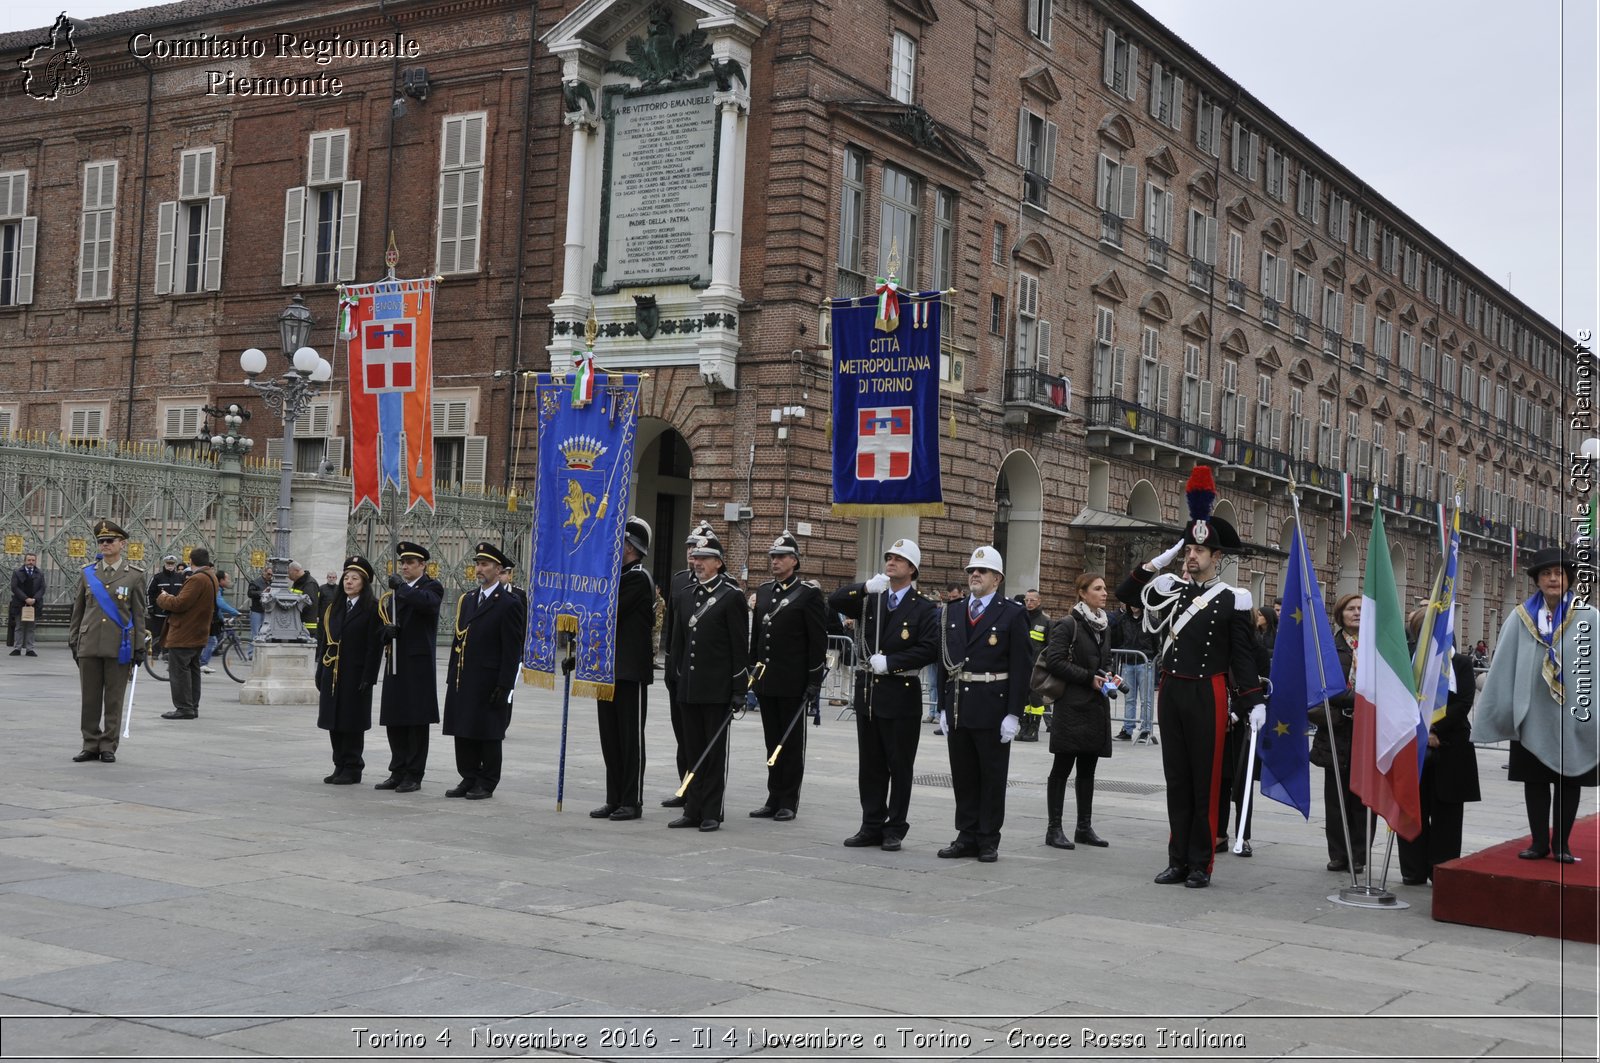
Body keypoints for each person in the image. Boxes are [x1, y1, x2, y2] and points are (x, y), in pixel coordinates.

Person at [1115, 465, 1264, 889]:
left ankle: (1201, 862)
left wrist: (1253, 702)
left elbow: (1242, 656)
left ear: (1217, 558)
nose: (1191, 557)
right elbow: (1127, 595)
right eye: (1188, 551)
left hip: (1209, 692)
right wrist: (1157, 561)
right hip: (1173, 690)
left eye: (1200, 552)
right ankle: (1176, 858)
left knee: (1205, 780)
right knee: (1177, 779)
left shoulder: (1232, 599)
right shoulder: (1170, 589)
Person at [1475, 547, 1598, 863]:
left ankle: (1562, 845)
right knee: (1536, 780)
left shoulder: (1588, 618)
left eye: (1558, 573)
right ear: (1537, 581)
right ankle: (1539, 842)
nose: (1553, 579)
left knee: (1569, 779)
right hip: (1531, 712)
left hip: (1572, 714)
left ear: (1569, 579)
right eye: (1546, 574)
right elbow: (1504, 664)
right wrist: (1500, 709)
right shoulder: (1521, 617)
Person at [830, 539, 937, 850]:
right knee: (871, 765)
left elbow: (929, 648)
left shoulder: (923, 607)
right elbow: (834, 601)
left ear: (912, 569)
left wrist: (892, 662)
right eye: (889, 557)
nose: (891, 562)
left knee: (899, 765)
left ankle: (895, 827)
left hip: (901, 693)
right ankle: (870, 824)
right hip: (870, 695)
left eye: (899, 559)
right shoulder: (871, 598)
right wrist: (864, 587)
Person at [936, 545, 1031, 863]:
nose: (974, 575)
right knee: (963, 775)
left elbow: (1021, 667)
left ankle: (988, 838)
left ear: (997, 579)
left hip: (993, 704)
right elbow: (944, 661)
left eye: (982, 571)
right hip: (960, 704)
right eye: (971, 571)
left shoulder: (1012, 613)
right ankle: (966, 834)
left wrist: (1014, 714)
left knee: (991, 776)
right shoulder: (953, 610)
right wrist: (941, 706)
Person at [665, 525, 748, 831]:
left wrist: (739, 689)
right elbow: (680, 642)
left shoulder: (731, 597)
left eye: (705, 557)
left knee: (713, 753)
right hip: (689, 687)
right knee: (692, 750)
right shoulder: (687, 595)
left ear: (719, 563)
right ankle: (693, 808)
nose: (697, 561)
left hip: (717, 690)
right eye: (695, 556)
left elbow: (740, 648)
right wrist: (677, 677)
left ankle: (712, 811)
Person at [748, 530, 827, 823]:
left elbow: (816, 642)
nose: (775, 561)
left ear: (794, 560)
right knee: (772, 741)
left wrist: (813, 681)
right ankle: (773, 795)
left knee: (790, 744)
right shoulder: (766, 591)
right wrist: (752, 669)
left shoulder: (808, 594)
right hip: (768, 680)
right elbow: (758, 636)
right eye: (773, 557)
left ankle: (788, 800)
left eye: (781, 557)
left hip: (793, 682)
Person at [1398, 608, 1481, 885]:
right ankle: (1413, 869)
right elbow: (1400, 699)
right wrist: (1423, 731)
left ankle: (1441, 867)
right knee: (1413, 808)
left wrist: (1435, 729)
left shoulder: (1461, 663)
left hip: (1451, 746)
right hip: (1413, 745)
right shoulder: (1407, 662)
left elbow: (1464, 702)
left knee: (1447, 813)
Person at [1039, 572, 1120, 851]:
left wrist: (1110, 675)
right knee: (1062, 768)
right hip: (1072, 705)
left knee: (1088, 768)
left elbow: (1106, 659)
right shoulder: (1067, 624)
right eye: (1098, 588)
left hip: (1095, 705)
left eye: (1105, 588)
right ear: (1082, 593)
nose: (1104, 593)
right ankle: (1054, 829)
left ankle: (1084, 827)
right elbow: (1055, 662)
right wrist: (1088, 678)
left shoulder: (1104, 625)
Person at [442, 542, 526, 799]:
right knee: (463, 729)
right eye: (478, 564)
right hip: (464, 676)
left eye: (485, 564)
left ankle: (487, 781)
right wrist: (451, 675)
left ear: (498, 569)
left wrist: (505, 685)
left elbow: (512, 649)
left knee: (487, 731)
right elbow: (459, 639)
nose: (480, 569)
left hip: (490, 678)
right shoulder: (467, 600)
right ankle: (468, 776)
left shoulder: (508, 603)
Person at [592, 517, 656, 821]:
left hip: (629, 671)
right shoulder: (614, 576)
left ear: (630, 546)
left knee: (630, 740)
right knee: (610, 738)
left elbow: (607, 611)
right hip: (606, 669)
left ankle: (632, 800)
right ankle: (614, 797)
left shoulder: (638, 578)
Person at [67, 519, 147, 762]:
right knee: (90, 698)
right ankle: (90, 743)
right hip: (90, 642)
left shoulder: (134, 576)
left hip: (119, 645)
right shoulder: (87, 572)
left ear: (122, 544)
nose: (104, 545)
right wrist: (74, 640)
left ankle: (108, 745)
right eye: (101, 541)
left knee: (114, 698)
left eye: (109, 541)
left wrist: (140, 646)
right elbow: (78, 610)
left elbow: (139, 613)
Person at [375, 542, 444, 793]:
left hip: (417, 663)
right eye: (403, 563)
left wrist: (401, 588)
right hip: (395, 660)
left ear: (422, 565)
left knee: (416, 720)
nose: (405, 566)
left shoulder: (430, 586)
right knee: (395, 718)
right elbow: (382, 621)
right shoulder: (395, 593)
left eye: (410, 563)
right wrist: (386, 631)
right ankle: (397, 770)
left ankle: (414, 774)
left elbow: (426, 603)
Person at [315, 556, 385, 784]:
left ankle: (353, 767)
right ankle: (339, 764)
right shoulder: (334, 608)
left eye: (355, 578)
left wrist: (369, 677)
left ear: (364, 583)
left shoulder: (372, 608)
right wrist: (320, 670)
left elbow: (374, 647)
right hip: (332, 671)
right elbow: (325, 640)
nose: (349, 582)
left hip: (355, 673)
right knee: (333, 720)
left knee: (351, 721)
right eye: (347, 578)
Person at [1311, 593, 1367, 874]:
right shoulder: (1328, 648)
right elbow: (1318, 691)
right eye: (1351, 609)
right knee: (1335, 799)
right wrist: (1347, 707)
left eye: (1361, 609)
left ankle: (1359, 854)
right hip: (1336, 730)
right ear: (1340, 614)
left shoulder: (1376, 647)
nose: (1356, 613)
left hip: (1366, 732)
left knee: (1361, 797)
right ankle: (1338, 853)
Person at [658, 522, 712, 808]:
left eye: (698, 549)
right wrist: (669, 665)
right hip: (677, 670)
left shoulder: (720, 585)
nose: (692, 554)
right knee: (682, 735)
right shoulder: (679, 580)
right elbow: (673, 627)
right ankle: (686, 787)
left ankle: (702, 792)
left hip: (702, 675)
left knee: (700, 737)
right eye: (689, 548)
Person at [1216, 606, 1274, 856]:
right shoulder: (1218, 648)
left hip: (1246, 723)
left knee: (1243, 781)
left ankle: (1243, 835)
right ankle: (1219, 833)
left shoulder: (1257, 650)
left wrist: (1236, 713)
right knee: (1220, 780)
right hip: (1218, 720)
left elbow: (1259, 686)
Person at [156, 547, 217, 721]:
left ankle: (184, 707)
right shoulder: (210, 576)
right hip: (198, 631)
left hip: (185, 632)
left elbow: (180, 604)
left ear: (191, 561)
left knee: (179, 671)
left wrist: (163, 598)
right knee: (192, 669)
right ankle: (191, 706)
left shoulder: (197, 579)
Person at [1112, 601, 1157, 743]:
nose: (1133, 605)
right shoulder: (1122, 620)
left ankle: (1145, 729)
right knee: (1129, 698)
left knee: (1146, 700)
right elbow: (1118, 640)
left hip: (1145, 662)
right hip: (1128, 662)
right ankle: (1127, 729)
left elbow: (1156, 643)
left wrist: (1152, 656)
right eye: (1131, 602)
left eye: (1136, 602)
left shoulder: (1151, 621)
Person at [1017, 589, 1051, 742]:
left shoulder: (1046, 621)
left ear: (1039, 601)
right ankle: (1024, 726)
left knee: (1036, 699)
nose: (1029, 603)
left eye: (1032, 600)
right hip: (1021, 666)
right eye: (1027, 600)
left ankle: (1034, 729)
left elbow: (1050, 646)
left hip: (1037, 667)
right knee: (1023, 699)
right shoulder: (1020, 619)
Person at [198, 570, 241, 674]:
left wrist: (222, 619)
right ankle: (203, 663)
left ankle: (200, 661)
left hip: (209, 617)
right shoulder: (216, 589)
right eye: (228, 579)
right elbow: (220, 604)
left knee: (211, 640)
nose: (229, 581)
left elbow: (217, 608)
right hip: (205, 618)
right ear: (221, 580)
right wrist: (235, 612)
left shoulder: (218, 589)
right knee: (212, 641)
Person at [146, 555, 184, 656]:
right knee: (157, 632)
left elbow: (184, 593)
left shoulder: (180, 577)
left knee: (172, 632)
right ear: (165, 564)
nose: (170, 566)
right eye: (168, 564)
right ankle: (155, 652)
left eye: (172, 564)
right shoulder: (157, 577)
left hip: (174, 611)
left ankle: (167, 652)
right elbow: (149, 593)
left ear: (175, 564)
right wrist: (150, 607)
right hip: (159, 611)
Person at [9, 551, 44, 656]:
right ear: (25, 561)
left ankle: (30, 649)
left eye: (33, 560)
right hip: (20, 603)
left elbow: (42, 588)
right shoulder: (17, 572)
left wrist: (34, 599)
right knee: (19, 626)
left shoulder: (40, 573)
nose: (31, 562)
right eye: (29, 560)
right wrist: (25, 598)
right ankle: (17, 648)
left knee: (31, 627)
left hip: (34, 604)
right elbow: (14, 587)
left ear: (35, 562)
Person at [288, 562, 321, 638]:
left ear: (296, 571)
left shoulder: (310, 583)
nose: (288, 575)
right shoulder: (298, 582)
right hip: (298, 624)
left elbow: (309, 603)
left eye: (289, 572)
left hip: (307, 626)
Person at [246, 564, 271, 640]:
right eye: (268, 574)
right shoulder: (256, 582)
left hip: (267, 611)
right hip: (257, 611)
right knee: (255, 633)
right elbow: (250, 593)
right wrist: (262, 593)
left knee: (265, 633)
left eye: (272, 575)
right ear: (264, 572)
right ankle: (251, 652)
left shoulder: (271, 582)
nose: (270, 576)